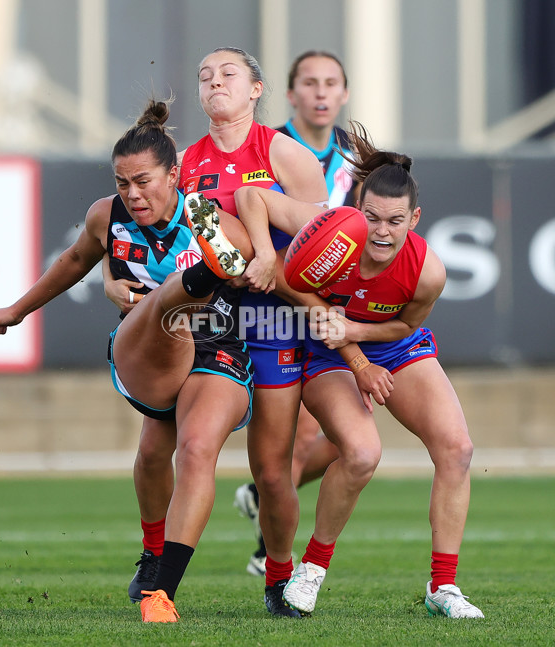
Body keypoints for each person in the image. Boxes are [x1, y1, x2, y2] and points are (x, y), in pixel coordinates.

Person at [105, 46, 393, 619]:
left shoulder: (286, 154)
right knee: (156, 450)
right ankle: (154, 559)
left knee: (271, 470)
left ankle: (279, 580)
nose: (214, 82)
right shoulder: (181, 162)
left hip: (273, 323)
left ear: (257, 89)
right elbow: (141, 238)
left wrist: (268, 260)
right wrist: (120, 281)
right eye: (204, 76)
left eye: (228, 73)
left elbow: (319, 251)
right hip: (204, 325)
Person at [0, 98, 266, 624]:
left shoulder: (208, 218)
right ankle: (152, 553)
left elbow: (262, 273)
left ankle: (162, 594)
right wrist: (15, 311)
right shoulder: (106, 216)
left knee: (193, 450)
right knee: (153, 455)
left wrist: (320, 319)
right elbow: (71, 261)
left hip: (217, 347)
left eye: (145, 181)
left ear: (174, 175)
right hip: (150, 347)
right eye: (123, 182)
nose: (133, 194)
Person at [231, 120, 485, 619]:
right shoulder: (332, 232)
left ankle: (444, 588)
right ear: (355, 208)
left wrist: (359, 339)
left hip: (389, 345)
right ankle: (313, 569)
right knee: (364, 454)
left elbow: (404, 327)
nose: (381, 232)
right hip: (326, 356)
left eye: (395, 221)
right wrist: (352, 353)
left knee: (457, 449)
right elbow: (253, 205)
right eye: (371, 218)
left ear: (415, 218)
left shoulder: (428, 271)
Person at [234, 50, 357, 576]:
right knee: (305, 434)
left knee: (347, 435)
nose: (321, 93)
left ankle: (260, 493)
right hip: (279, 303)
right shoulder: (273, 148)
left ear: (345, 93)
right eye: (310, 83)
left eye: (331, 83)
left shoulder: (352, 159)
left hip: (332, 305)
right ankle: (270, 546)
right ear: (289, 94)